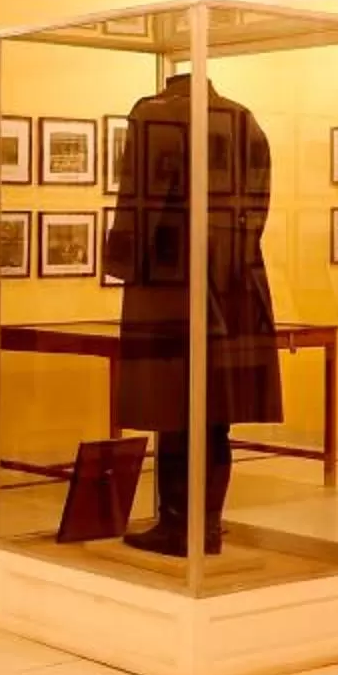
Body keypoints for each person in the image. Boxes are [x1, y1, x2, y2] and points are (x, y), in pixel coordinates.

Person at [102, 74, 280, 556]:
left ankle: (180, 525)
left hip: (170, 286)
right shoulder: (245, 118)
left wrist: (123, 265)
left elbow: (136, 200)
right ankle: (205, 524)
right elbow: (259, 208)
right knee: (214, 413)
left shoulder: (154, 111)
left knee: (173, 404)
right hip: (236, 283)